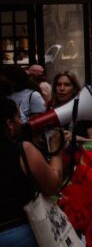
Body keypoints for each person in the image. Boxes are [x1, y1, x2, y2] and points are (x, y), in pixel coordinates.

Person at [0, 97, 65, 246]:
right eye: (18, 116)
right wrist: (57, 150)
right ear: (9, 124)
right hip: (20, 233)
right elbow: (53, 186)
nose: (21, 121)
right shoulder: (23, 150)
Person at [52, 71, 92, 141]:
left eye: (67, 85)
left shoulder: (83, 111)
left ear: (74, 89)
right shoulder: (51, 110)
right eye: (59, 85)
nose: (62, 88)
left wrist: (77, 138)